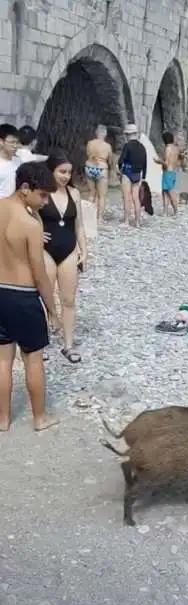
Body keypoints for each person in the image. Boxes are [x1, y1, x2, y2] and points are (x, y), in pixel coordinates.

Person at [0, 162, 60, 431]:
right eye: (43, 195)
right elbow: (39, 273)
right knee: (33, 358)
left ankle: (3, 419)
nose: (45, 202)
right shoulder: (30, 224)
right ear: (25, 188)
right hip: (22, 296)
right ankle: (39, 418)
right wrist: (53, 309)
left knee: (2, 359)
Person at [39, 152, 88, 364]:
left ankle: (68, 345)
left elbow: (79, 225)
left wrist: (84, 250)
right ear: (51, 171)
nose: (66, 176)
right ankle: (40, 345)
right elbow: (27, 216)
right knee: (45, 299)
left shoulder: (74, 194)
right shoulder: (41, 193)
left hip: (68, 249)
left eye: (69, 172)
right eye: (62, 172)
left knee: (68, 300)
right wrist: (36, 233)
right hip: (45, 250)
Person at [118, 123, 147, 227]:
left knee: (126, 197)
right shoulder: (142, 147)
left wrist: (120, 170)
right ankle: (138, 222)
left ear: (128, 135)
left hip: (127, 172)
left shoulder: (127, 146)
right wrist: (143, 177)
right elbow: (145, 163)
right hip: (137, 174)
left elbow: (121, 160)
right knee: (136, 198)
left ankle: (126, 221)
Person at [85, 124, 113, 221]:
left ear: (96, 133)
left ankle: (89, 216)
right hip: (101, 168)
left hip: (89, 167)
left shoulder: (90, 143)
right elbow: (110, 161)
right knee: (102, 195)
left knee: (92, 193)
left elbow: (88, 154)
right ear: (105, 134)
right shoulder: (108, 146)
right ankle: (99, 217)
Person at [155, 131, 179, 216]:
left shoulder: (167, 148)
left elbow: (166, 163)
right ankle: (165, 212)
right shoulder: (176, 149)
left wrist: (158, 161)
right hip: (173, 172)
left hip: (167, 172)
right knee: (165, 191)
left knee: (170, 192)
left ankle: (175, 210)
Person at [0, 123, 20, 199]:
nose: (15, 146)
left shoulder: (19, 161)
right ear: (1, 141)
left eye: (17, 142)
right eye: (12, 142)